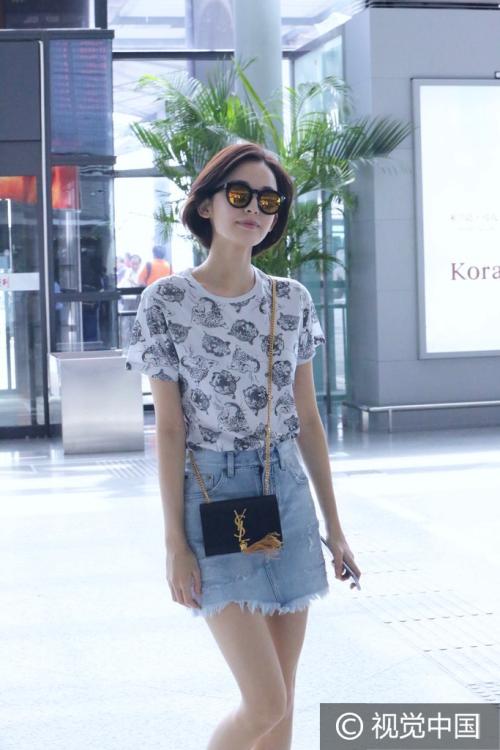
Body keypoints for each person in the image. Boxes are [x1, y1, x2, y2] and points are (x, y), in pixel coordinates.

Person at [125, 142, 361, 750]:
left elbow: (307, 418)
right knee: (265, 702)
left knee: (283, 704)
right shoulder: (166, 301)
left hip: (285, 490)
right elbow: (169, 428)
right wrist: (174, 543)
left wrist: (335, 527)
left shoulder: (292, 299)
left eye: (267, 201)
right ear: (206, 205)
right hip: (212, 495)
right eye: (239, 195)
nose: (254, 208)